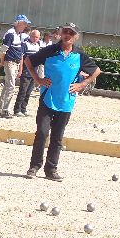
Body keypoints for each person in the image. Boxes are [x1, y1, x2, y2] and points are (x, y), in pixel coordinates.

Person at [24, 23, 101, 182]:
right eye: (65, 31)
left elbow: (97, 71)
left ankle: (51, 169)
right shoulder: (50, 50)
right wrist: (38, 79)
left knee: (57, 137)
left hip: (66, 102)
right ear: (61, 33)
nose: (67, 35)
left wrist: (81, 84)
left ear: (76, 37)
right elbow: (28, 61)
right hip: (48, 98)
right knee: (42, 133)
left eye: (71, 33)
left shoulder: (79, 55)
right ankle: (34, 166)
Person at [0, 14, 31, 118]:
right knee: (11, 86)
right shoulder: (10, 34)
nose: (25, 26)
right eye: (24, 24)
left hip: (14, 62)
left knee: (8, 86)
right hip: (10, 62)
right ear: (19, 23)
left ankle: (0, 109)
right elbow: (3, 49)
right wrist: (2, 61)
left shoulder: (18, 34)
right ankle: (5, 110)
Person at [13, 29, 42, 117]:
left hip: (34, 73)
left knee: (29, 92)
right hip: (26, 71)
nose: (35, 38)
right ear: (30, 36)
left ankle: (23, 108)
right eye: (33, 36)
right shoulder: (25, 44)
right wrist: (20, 70)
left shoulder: (38, 45)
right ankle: (17, 109)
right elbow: (21, 58)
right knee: (22, 91)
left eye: (37, 37)